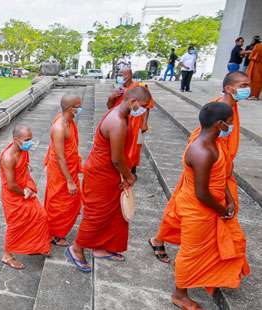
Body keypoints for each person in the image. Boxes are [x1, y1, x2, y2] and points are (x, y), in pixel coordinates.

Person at [149, 71, 251, 264]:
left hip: (218, 168)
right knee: (186, 212)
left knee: (188, 214)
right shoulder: (221, 109)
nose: (248, 89)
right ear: (229, 88)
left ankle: (164, 242)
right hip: (209, 168)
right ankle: (161, 241)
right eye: (244, 85)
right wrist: (209, 163)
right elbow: (202, 136)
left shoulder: (229, 108)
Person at [168, 102, 249, 309]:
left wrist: (229, 198)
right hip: (198, 210)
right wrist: (222, 211)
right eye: (230, 123)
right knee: (191, 252)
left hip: (214, 204)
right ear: (220, 124)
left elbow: (220, 176)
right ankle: (179, 294)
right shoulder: (201, 150)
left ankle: (207, 276)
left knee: (225, 243)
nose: (232, 126)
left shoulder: (215, 143)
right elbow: (202, 193)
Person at [67, 87, 152, 273]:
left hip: (110, 171)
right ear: (132, 102)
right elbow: (116, 158)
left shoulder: (120, 114)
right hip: (101, 172)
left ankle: (100, 247)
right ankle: (76, 248)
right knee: (96, 214)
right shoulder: (118, 122)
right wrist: (129, 176)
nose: (144, 110)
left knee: (114, 212)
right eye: (143, 106)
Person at [0, 125, 51, 269]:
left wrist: (26, 168)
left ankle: (34, 246)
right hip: (13, 194)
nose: (30, 142)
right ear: (16, 140)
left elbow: (22, 165)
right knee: (16, 224)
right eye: (27, 140)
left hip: (23, 188)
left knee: (40, 216)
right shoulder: (8, 157)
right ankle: (7, 255)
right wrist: (25, 192)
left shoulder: (22, 149)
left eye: (31, 139)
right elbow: (10, 185)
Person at [43, 95, 83, 247]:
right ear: (70, 108)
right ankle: (54, 233)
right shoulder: (59, 127)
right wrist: (70, 181)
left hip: (69, 167)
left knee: (70, 201)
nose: (80, 108)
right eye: (78, 106)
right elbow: (60, 157)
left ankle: (57, 230)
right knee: (58, 203)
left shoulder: (69, 121)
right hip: (60, 171)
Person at [107, 68, 155, 175]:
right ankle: (120, 167)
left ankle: (131, 169)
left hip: (136, 122)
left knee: (134, 147)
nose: (119, 76)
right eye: (118, 74)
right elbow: (110, 107)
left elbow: (147, 106)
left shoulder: (140, 87)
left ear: (128, 75)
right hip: (121, 121)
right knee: (120, 146)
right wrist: (111, 97)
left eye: (121, 74)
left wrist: (144, 123)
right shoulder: (118, 89)